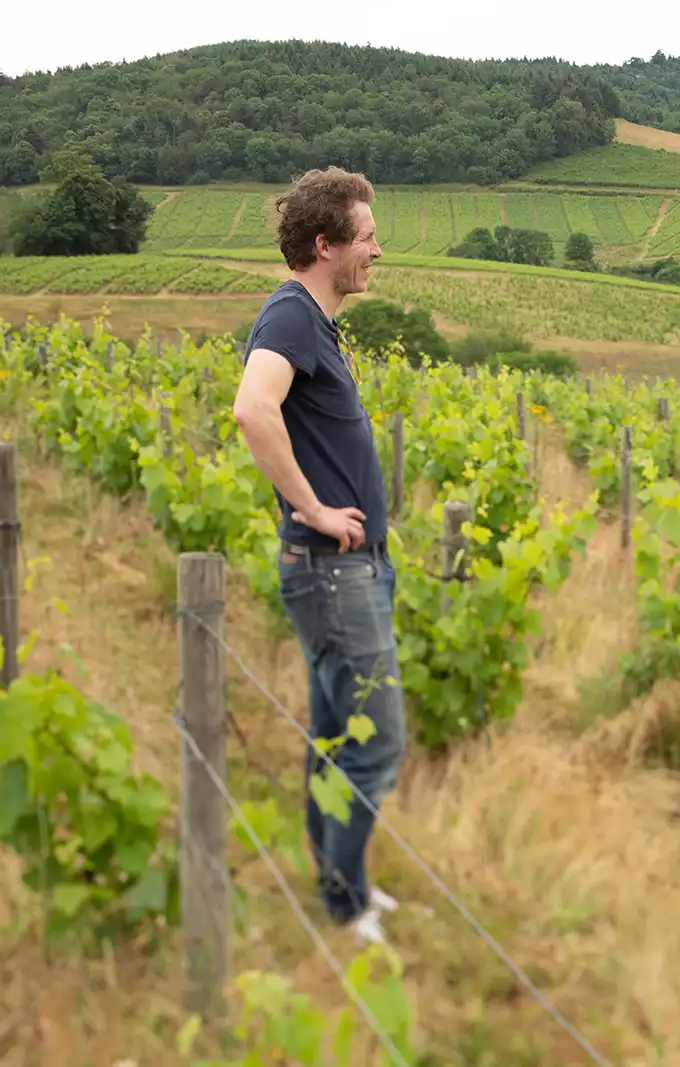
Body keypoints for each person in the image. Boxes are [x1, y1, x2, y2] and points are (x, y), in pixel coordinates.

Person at [232, 166, 405, 946]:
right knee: (378, 737)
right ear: (325, 243)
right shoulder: (292, 317)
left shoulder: (313, 321)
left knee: (336, 734)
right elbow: (251, 407)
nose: (378, 249)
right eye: (367, 236)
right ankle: (344, 902)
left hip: (345, 568)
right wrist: (310, 507)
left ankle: (343, 883)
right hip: (332, 570)